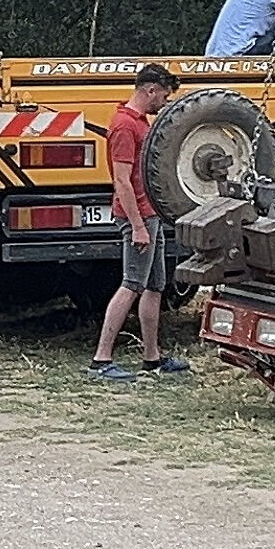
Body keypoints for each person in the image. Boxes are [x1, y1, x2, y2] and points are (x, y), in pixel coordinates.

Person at [90, 64, 191, 380]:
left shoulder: (142, 123)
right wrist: (136, 226)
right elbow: (121, 181)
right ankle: (101, 359)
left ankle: (152, 358)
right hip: (138, 218)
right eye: (163, 94)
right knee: (131, 284)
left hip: (151, 215)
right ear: (150, 90)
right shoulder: (123, 127)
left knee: (155, 285)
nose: (164, 101)